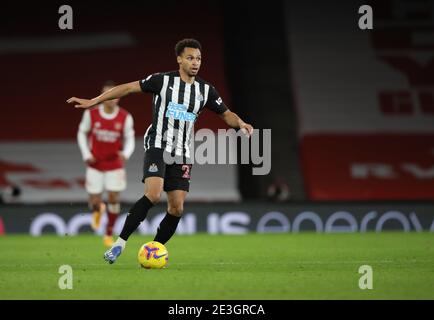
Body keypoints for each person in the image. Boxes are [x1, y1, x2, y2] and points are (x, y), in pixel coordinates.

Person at [68, 39, 253, 264]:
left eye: (199, 59)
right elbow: (127, 88)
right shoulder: (162, 81)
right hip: (158, 144)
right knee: (154, 194)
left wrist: (241, 123)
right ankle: (119, 244)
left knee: (176, 208)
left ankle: (154, 249)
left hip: (183, 152)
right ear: (179, 59)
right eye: (190, 58)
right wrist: (94, 101)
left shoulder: (206, 90)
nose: (195, 63)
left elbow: (226, 114)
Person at [77, 81, 135, 247]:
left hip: (114, 164)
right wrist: (86, 154)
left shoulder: (125, 117)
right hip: (95, 163)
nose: (110, 99)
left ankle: (108, 233)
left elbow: (130, 138)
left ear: (118, 97)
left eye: (113, 94)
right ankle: (98, 209)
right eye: (106, 95)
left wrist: (126, 153)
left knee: (114, 198)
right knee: (95, 202)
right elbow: (82, 133)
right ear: (101, 97)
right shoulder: (91, 114)